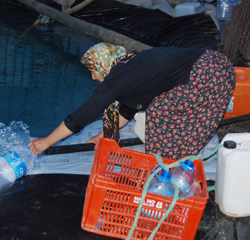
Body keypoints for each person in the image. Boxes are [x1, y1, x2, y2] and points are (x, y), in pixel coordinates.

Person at [29, 43, 236, 160]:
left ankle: (168, 164)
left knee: (158, 114)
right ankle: (179, 160)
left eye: (93, 71)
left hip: (206, 74)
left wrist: (47, 141)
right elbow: (127, 111)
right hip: (220, 67)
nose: (93, 78)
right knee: (175, 115)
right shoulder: (131, 66)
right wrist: (103, 136)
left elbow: (84, 113)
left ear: (103, 65)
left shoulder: (120, 75)